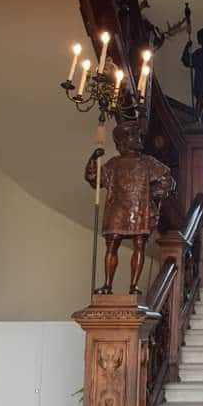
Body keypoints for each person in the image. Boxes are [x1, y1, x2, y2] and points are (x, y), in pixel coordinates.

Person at [85, 121, 175, 295]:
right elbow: (94, 178)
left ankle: (133, 286)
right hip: (117, 210)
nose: (137, 139)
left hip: (139, 210)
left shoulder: (148, 162)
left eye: (137, 135)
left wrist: (154, 193)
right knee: (112, 245)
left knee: (139, 245)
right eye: (133, 136)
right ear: (123, 141)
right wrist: (93, 159)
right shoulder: (113, 164)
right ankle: (107, 285)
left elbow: (167, 179)